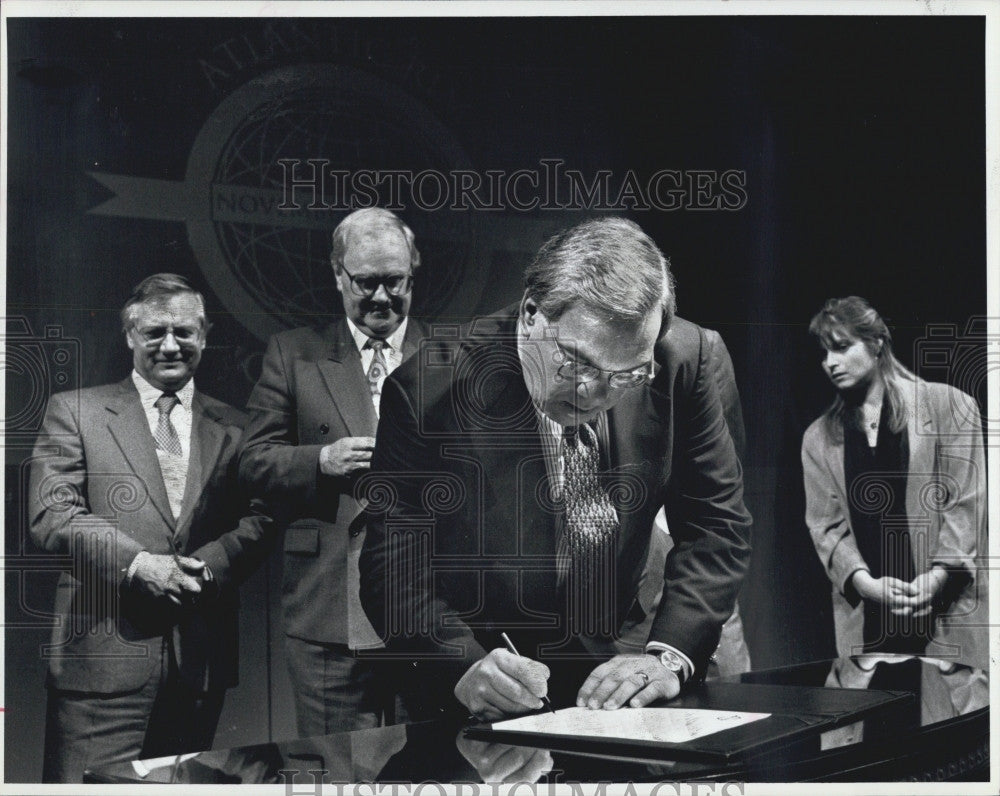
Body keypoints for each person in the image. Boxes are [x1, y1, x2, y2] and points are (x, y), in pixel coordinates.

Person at [359, 216, 752, 720]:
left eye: (627, 375)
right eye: (576, 362)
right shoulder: (430, 391)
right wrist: (461, 664)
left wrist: (667, 656)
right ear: (531, 314)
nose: (596, 393)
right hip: (494, 667)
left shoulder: (686, 360)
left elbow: (717, 524)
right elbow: (393, 568)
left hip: (627, 649)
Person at [28, 274, 277, 783]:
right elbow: (52, 513)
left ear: (205, 335)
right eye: (154, 332)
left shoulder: (238, 425)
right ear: (129, 336)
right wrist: (139, 564)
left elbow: (262, 517)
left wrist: (208, 567)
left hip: (199, 668)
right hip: (101, 669)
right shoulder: (75, 412)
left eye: (184, 332)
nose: (170, 345)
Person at [239, 208, 429, 735]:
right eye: (365, 283)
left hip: (428, 606)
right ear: (338, 275)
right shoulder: (293, 353)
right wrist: (320, 461)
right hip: (328, 607)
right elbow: (252, 461)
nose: (382, 298)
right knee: (336, 767)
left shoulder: (447, 357)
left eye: (395, 281)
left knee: (434, 764)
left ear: (413, 270)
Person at [802, 296, 987, 665]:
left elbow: (965, 502)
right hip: (869, 625)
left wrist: (937, 579)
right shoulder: (819, 437)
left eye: (841, 347)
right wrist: (865, 584)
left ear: (877, 343)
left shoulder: (951, 407)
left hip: (949, 617)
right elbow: (827, 527)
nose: (831, 363)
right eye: (824, 354)